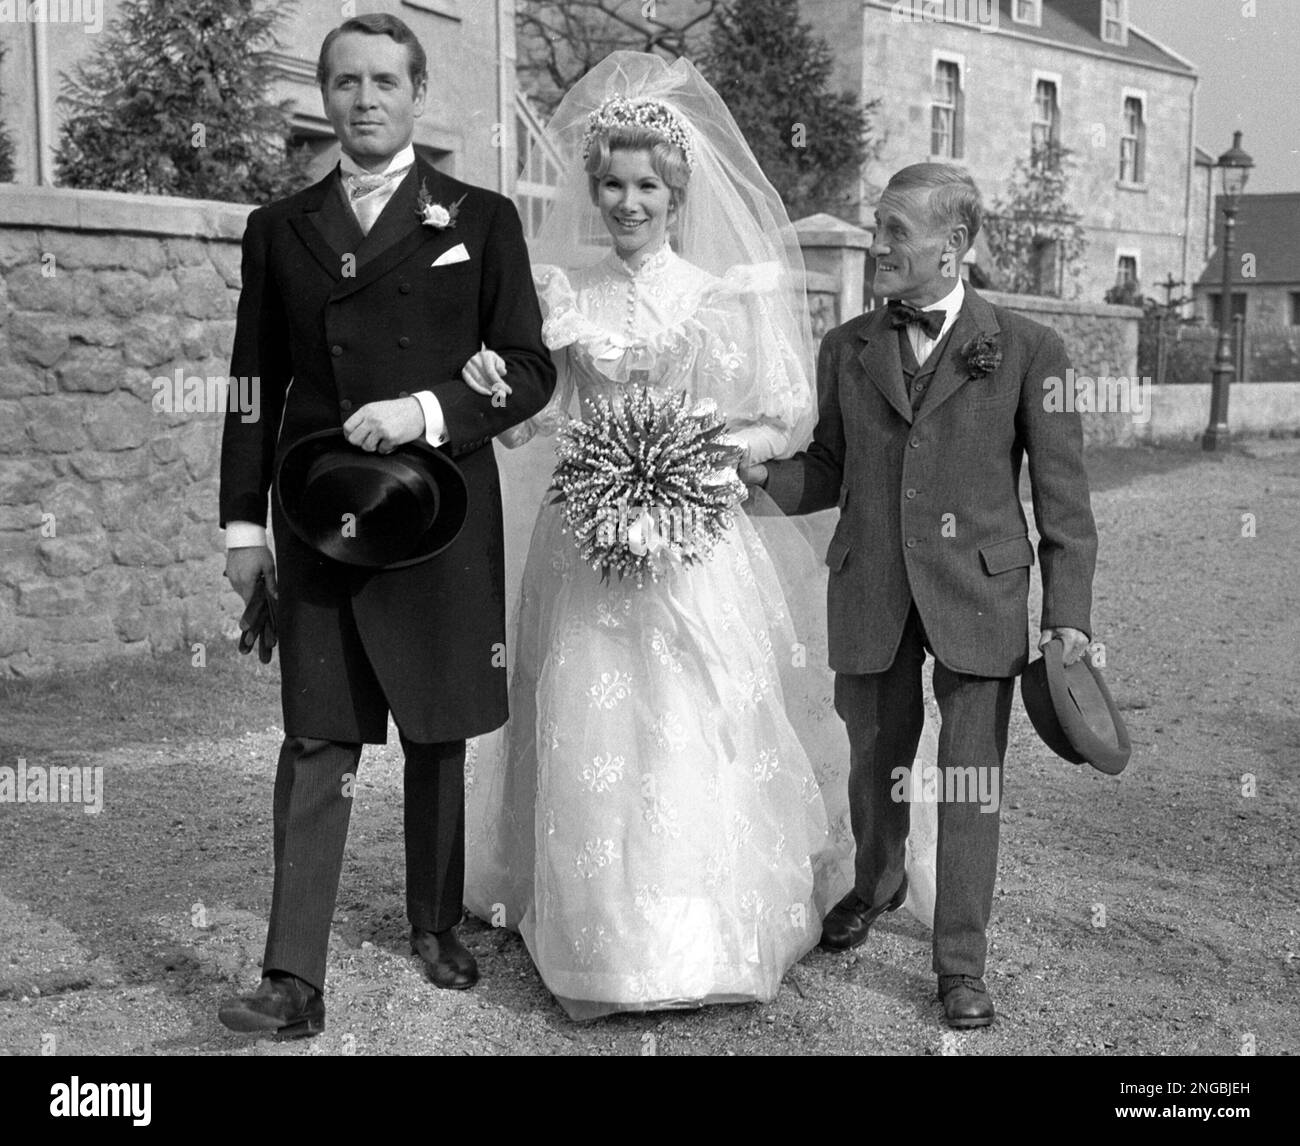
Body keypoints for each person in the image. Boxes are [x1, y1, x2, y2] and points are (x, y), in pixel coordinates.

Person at [460, 52, 938, 1021]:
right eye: (612, 183)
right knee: (588, 715)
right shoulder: (562, 294)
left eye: (646, 184)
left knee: (690, 715)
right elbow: (527, 423)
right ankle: (595, 933)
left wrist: (699, 464)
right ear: (592, 187)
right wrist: (487, 392)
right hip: (582, 543)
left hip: (691, 536)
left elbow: (775, 421)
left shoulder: (719, 296)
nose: (628, 201)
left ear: (676, 190)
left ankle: (695, 928)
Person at [215, 13, 555, 1039]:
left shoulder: (481, 218)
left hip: (438, 508)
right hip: (319, 517)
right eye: (346, 82)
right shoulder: (280, 228)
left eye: (385, 82)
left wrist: (427, 411)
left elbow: (530, 369)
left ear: (417, 96)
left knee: (438, 724)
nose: (365, 100)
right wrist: (241, 527)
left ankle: (434, 918)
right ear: (324, 97)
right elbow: (248, 389)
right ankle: (293, 978)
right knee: (317, 734)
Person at [743, 163, 1099, 1029]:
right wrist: (758, 480)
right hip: (870, 587)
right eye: (877, 225)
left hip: (980, 598)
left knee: (972, 780)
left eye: (897, 229)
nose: (879, 244)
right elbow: (829, 469)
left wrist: (1068, 621)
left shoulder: (1029, 351)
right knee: (875, 763)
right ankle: (876, 881)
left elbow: (1066, 505)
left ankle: (961, 963)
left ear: (956, 244)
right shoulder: (848, 348)